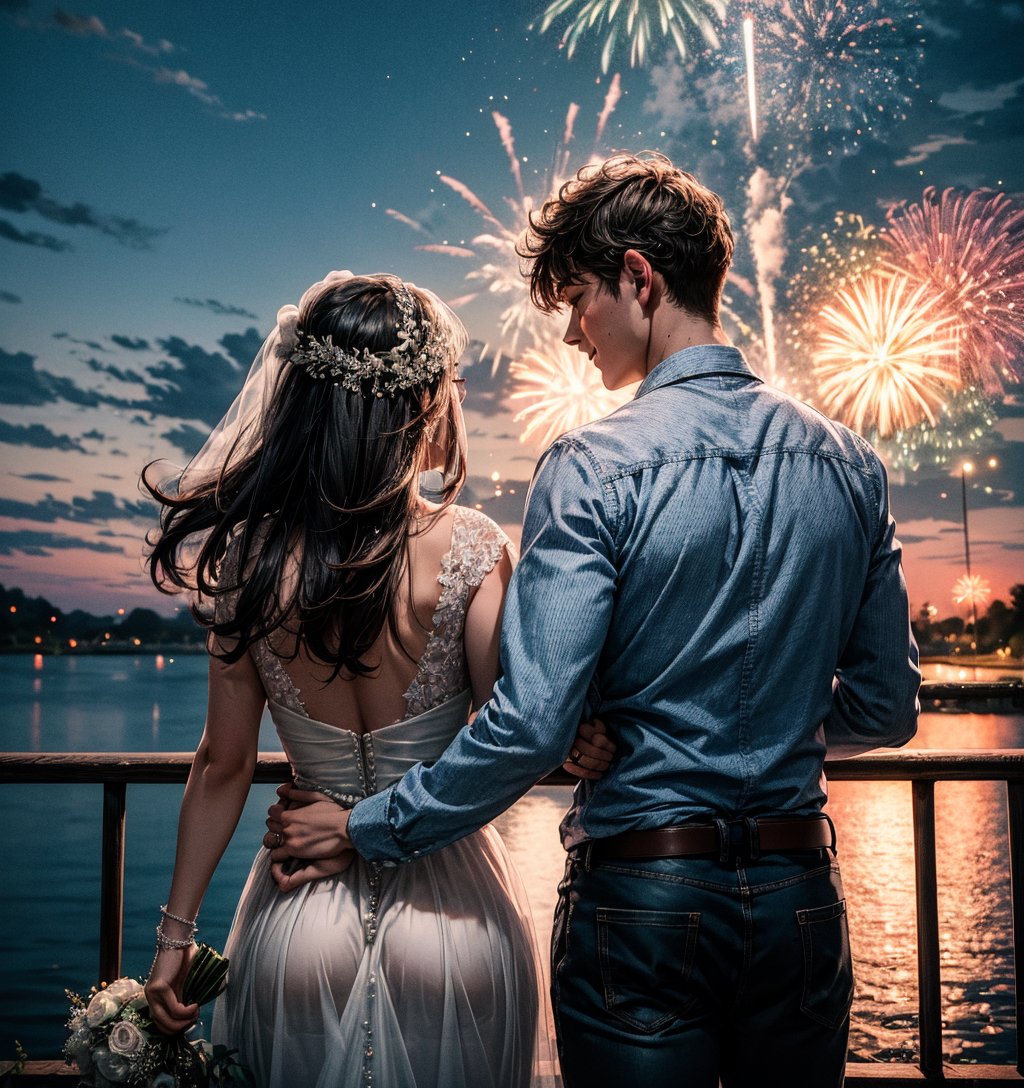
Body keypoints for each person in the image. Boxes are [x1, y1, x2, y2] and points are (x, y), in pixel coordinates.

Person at [269, 155, 922, 1088]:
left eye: (578, 298)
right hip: (799, 899)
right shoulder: (852, 465)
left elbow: (531, 726)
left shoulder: (591, 465)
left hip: (642, 902)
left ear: (638, 278)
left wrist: (369, 825)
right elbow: (890, 710)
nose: (574, 331)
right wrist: (770, 729)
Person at [142, 270, 605, 1087]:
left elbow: (222, 764)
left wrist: (174, 940)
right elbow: (520, 733)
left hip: (298, 915)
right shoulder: (468, 547)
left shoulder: (250, 559)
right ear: (419, 401)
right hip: (454, 910)